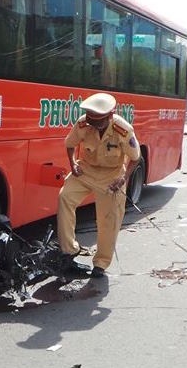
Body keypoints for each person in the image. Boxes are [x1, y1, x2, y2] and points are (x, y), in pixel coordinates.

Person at [57, 93, 141, 278]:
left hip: (112, 176)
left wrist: (123, 178)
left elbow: (135, 158)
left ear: (110, 116)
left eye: (98, 122)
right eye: (90, 120)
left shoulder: (123, 130)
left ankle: (101, 263)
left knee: (108, 220)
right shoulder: (83, 124)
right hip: (86, 171)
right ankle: (69, 251)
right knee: (65, 196)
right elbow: (69, 144)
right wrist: (73, 164)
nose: (93, 125)